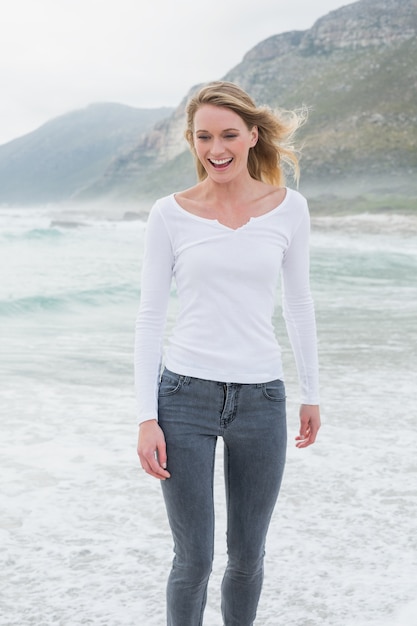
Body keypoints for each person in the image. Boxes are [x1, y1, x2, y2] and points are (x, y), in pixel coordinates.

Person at [135, 80, 321, 626]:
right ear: (192, 143)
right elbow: (148, 317)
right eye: (204, 136)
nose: (217, 148)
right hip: (183, 399)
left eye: (229, 135)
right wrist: (146, 415)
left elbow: (300, 303)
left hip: (262, 399)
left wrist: (312, 393)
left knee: (246, 559)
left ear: (252, 136)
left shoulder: (290, 209)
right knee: (192, 560)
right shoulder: (169, 214)